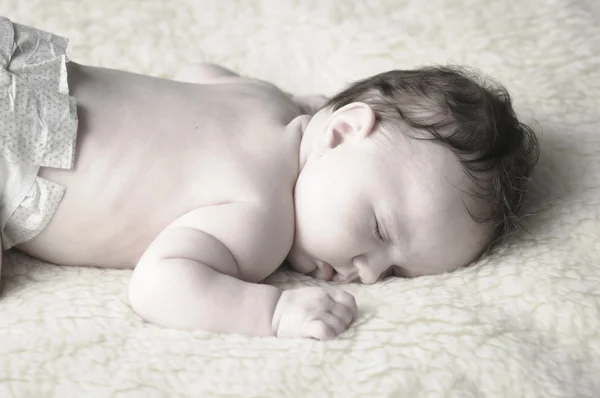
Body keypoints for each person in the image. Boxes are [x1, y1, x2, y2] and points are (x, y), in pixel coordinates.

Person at [0, 18, 539, 340]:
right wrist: (274, 312)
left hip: (20, 65)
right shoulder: (262, 220)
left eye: (395, 270)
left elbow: (198, 73)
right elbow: (158, 285)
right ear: (341, 130)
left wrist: (303, 103)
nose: (369, 274)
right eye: (378, 229)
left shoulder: (261, 96)